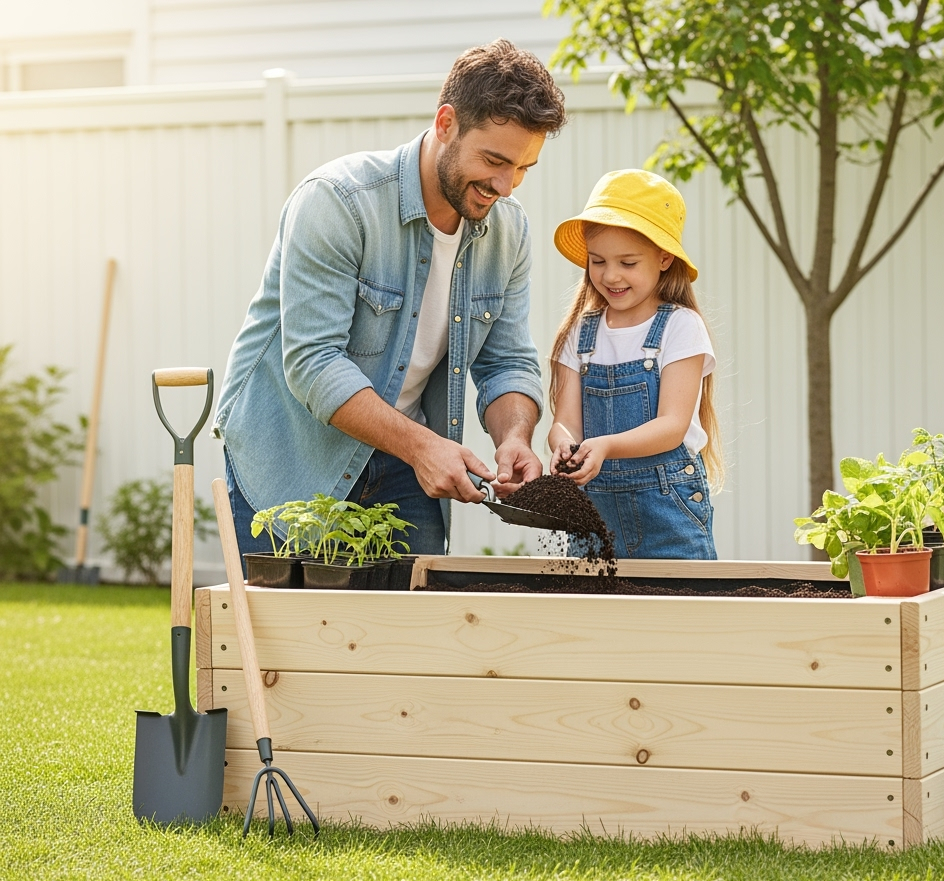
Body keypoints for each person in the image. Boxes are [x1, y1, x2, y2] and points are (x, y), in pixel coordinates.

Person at [214, 40, 567, 557]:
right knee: (289, 637)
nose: (506, 186)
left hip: (404, 464)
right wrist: (424, 447)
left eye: (522, 168)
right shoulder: (338, 203)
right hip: (293, 458)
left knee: (406, 634)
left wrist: (514, 437)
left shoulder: (508, 232)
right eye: (494, 160)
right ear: (446, 123)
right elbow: (313, 362)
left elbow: (507, 362)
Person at [547, 169, 723, 560]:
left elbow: (671, 427)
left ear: (663, 258)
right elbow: (565, 421)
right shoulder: (579, 333)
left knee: (679, 617)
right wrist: (562, 444)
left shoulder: (680, 327)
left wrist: (605, 446)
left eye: (627, 262)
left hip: (668, 510)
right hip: (595, 517)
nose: (610, 275)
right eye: (598, 261)